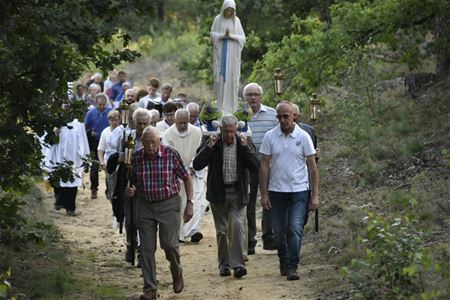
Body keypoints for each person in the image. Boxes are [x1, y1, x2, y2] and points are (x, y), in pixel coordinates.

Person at [126, 126, 193, 300]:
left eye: (153, 142)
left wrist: (190, 203)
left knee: (169, 245)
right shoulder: (136, 156)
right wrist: (131, 190)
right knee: (147, 249)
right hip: (145, 205)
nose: (149, 146)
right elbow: (131, 180)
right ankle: (150, 289)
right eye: (146, 142)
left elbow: (186, 177)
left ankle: (177, 273)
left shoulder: (171, 154)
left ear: (159, 141)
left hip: (169, 204)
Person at [259, 101, 320, 281]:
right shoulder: (270, 136)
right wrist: (264, 194)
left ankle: (293, 265)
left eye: (286, 116)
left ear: (295, 116)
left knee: (294, 229)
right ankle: (283, 260)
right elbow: (263, 166)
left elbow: (313, 168)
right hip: (277, 191)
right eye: (279, 116)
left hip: (299, 190)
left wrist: (315, 195)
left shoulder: (303, 137)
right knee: (279, 231)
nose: (283, 120)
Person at [193, 115, 258, 279]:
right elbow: (197, 164)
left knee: (237, 226)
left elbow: (255, 166)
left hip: (238, 192)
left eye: (232, 131)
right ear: (221, 130)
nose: (229, 135)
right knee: (222, 231)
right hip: (219, 194)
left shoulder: (244, 142)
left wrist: (244, 148)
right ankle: (224, 265)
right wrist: (209, 147)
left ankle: (238, 265)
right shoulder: (214, 143)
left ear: (236, 129)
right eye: (226, 131)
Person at [243, 82, 278, 254]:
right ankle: (249, 239)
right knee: (248, 202)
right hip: (247, 167)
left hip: (268, 165)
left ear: (261, 96)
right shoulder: (239, 115)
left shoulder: (272, 114)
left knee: (268, 200)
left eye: (256, 94)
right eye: (249, 95)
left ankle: (268, 237)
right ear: (244, 97)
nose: (253, 98)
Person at [162, 109, 204, 243]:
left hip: (194, 172)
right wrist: (181, 171)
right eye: (180, 123)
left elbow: (199, 150)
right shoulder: (167, 134)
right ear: (175, 121)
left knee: (198, 203)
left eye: (185, 122)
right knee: (179, 204)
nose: (182, 126)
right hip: (176, 174)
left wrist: (192, 167)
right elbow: (169, 154)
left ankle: (192, 230)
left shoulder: (197, 132)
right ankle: (179, 234)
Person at [43, 117, 90, 216]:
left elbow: (83, 140)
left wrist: (84, 156)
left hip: (73, 157)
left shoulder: (78, 124)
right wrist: (55, 134)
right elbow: (48, 141)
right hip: (57, 156)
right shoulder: (54, 121)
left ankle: (70, 208)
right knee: (58, 178)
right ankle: (59, 201)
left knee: (72, 182)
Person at [211, 0, 246, 113]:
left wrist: (231, 36)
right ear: (223, 9)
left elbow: (242, 38)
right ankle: (220, 107)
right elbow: (212, 35)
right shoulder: (218, 19)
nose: (229, 12)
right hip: (221, 55)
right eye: (227, 10)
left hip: (232, 57)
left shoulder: (236, 21)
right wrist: (222, 36)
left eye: (231, 11)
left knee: (232, 79)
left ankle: (232, 108)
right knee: (220, 80)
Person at [84, 93, 112, 199]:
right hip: (94, 142)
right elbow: (85, 127)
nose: (101, 107)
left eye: (103, 104)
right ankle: (94, 189)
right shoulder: (91, 113)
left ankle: (109, 189)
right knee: (94, 166)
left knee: (108, 166)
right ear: (96, 103)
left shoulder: (109, 112)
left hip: (107, 143)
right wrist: (90, 132)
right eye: (99, 104)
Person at [97, 110, 121, 201]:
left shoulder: (123, 131)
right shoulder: (105, 132)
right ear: (109, 121)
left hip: (120, 163)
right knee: (111, 187)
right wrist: (102, 162)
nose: (114, 122)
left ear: (119, 120)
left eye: (116, 120)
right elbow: (100, 149)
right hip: (109, 164)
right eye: (112, 120)